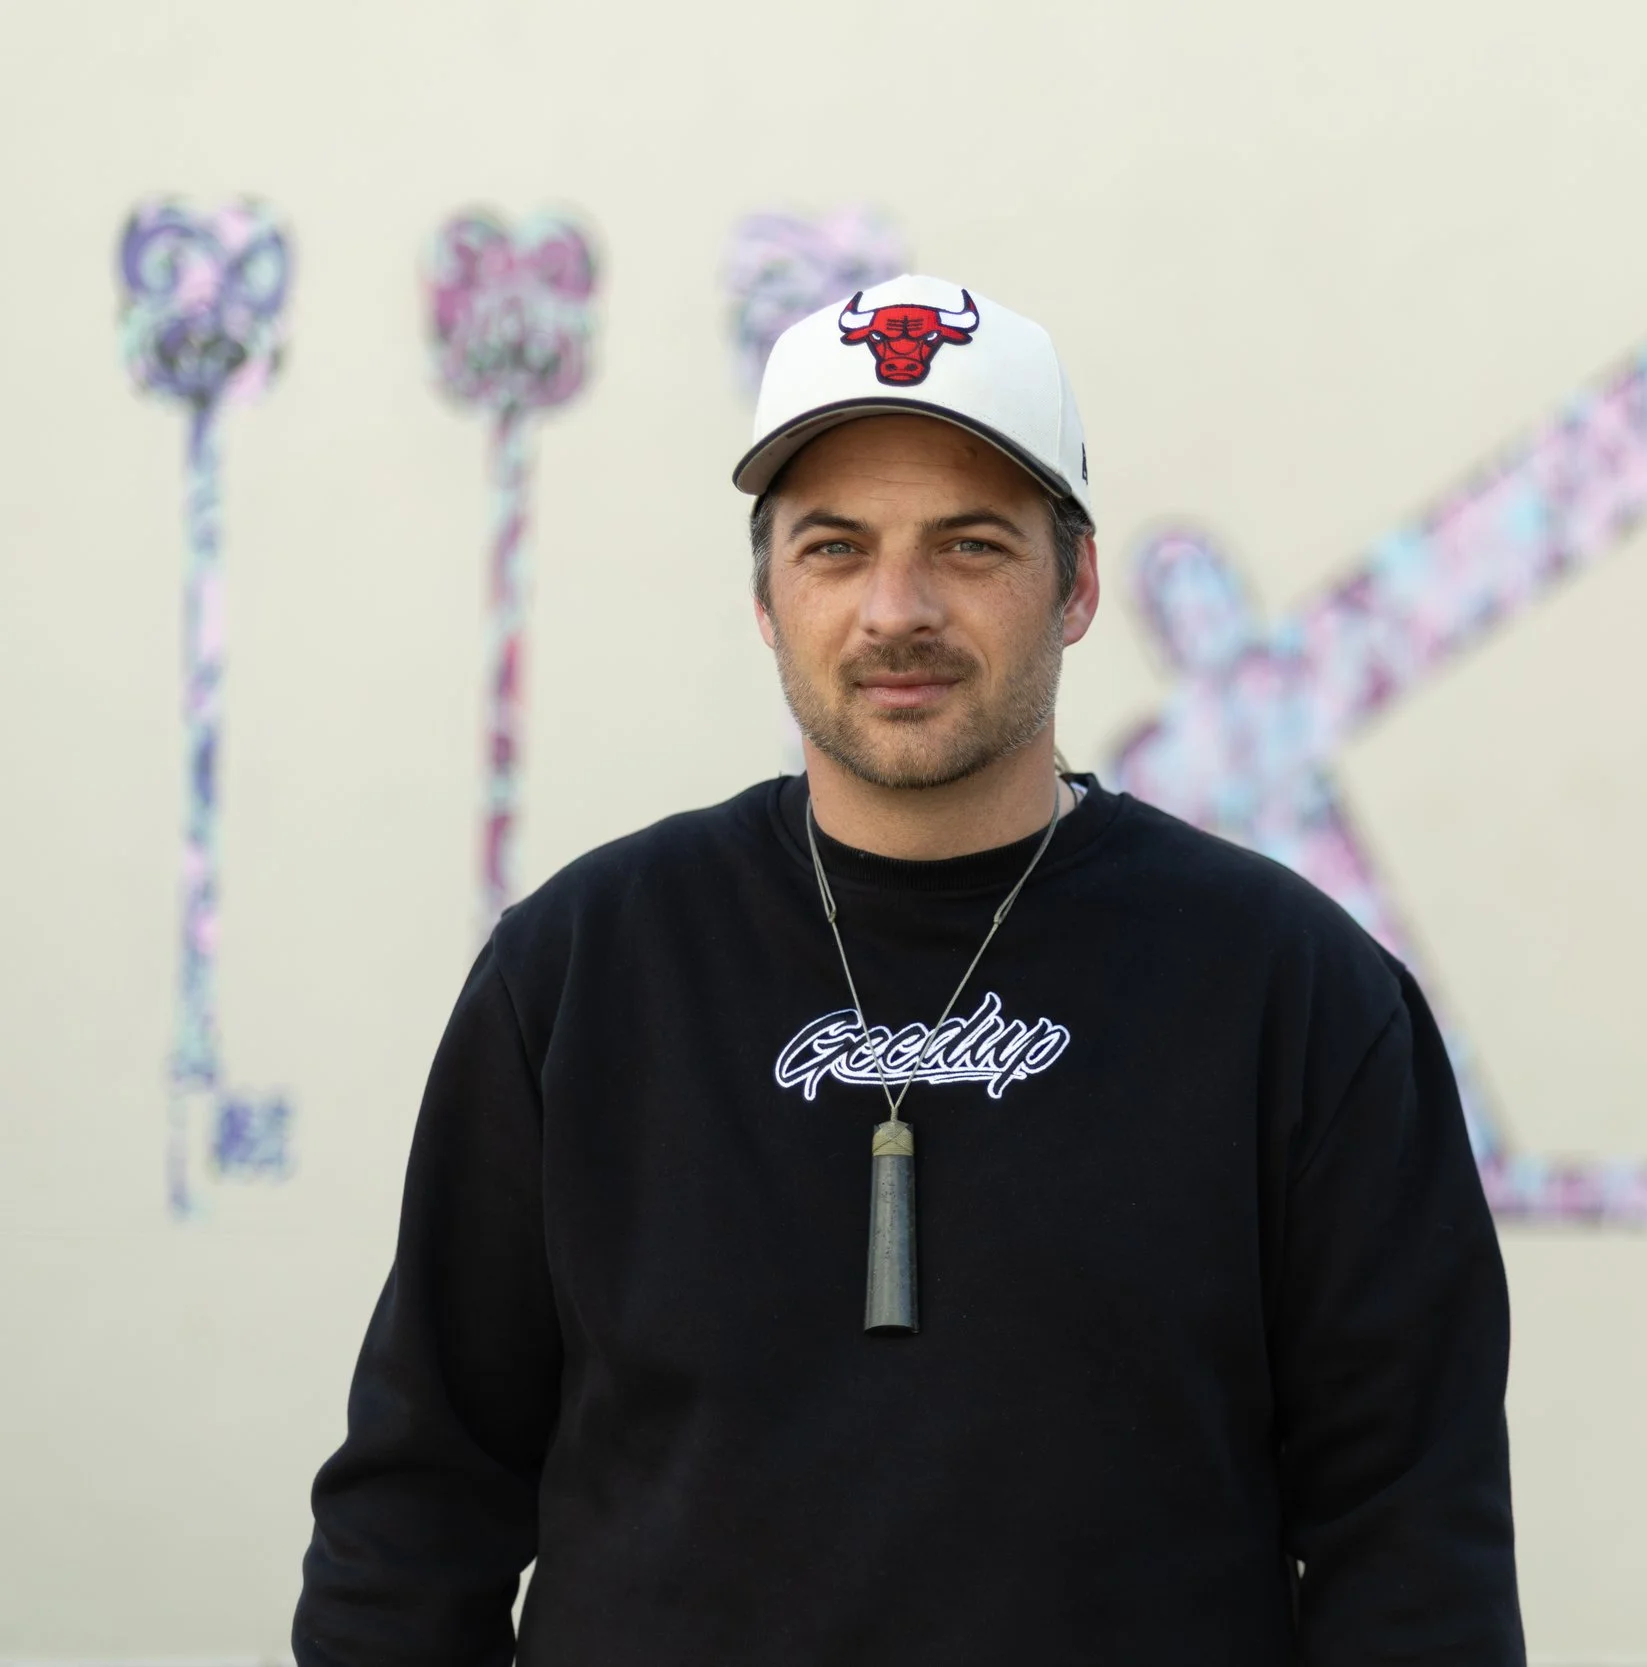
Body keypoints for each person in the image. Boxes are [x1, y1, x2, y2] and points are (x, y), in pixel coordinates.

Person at [293, 274, 1525, 1665]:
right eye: (834, 547)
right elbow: (415, 1512)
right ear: (766, 594)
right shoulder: (582, 972)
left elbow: (1415, 1548)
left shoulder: (1297, 1000)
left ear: (1078, 584)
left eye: (970, 545)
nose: (897, 608)